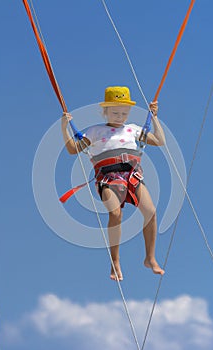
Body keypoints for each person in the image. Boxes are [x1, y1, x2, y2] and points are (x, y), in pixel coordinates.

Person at [61, 86, 165, 281]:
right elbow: (72, 149)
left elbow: (159, 140)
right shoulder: (95, 131)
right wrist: (64, 129)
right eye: (115, 112)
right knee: (115, 213)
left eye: (124, 113)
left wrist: (155, 118)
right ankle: (115, 261)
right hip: (108, 179)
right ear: (105, 111)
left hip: (132, 176)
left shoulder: (133, 129)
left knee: (150, 211)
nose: (120, 116)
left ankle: (150, 258)